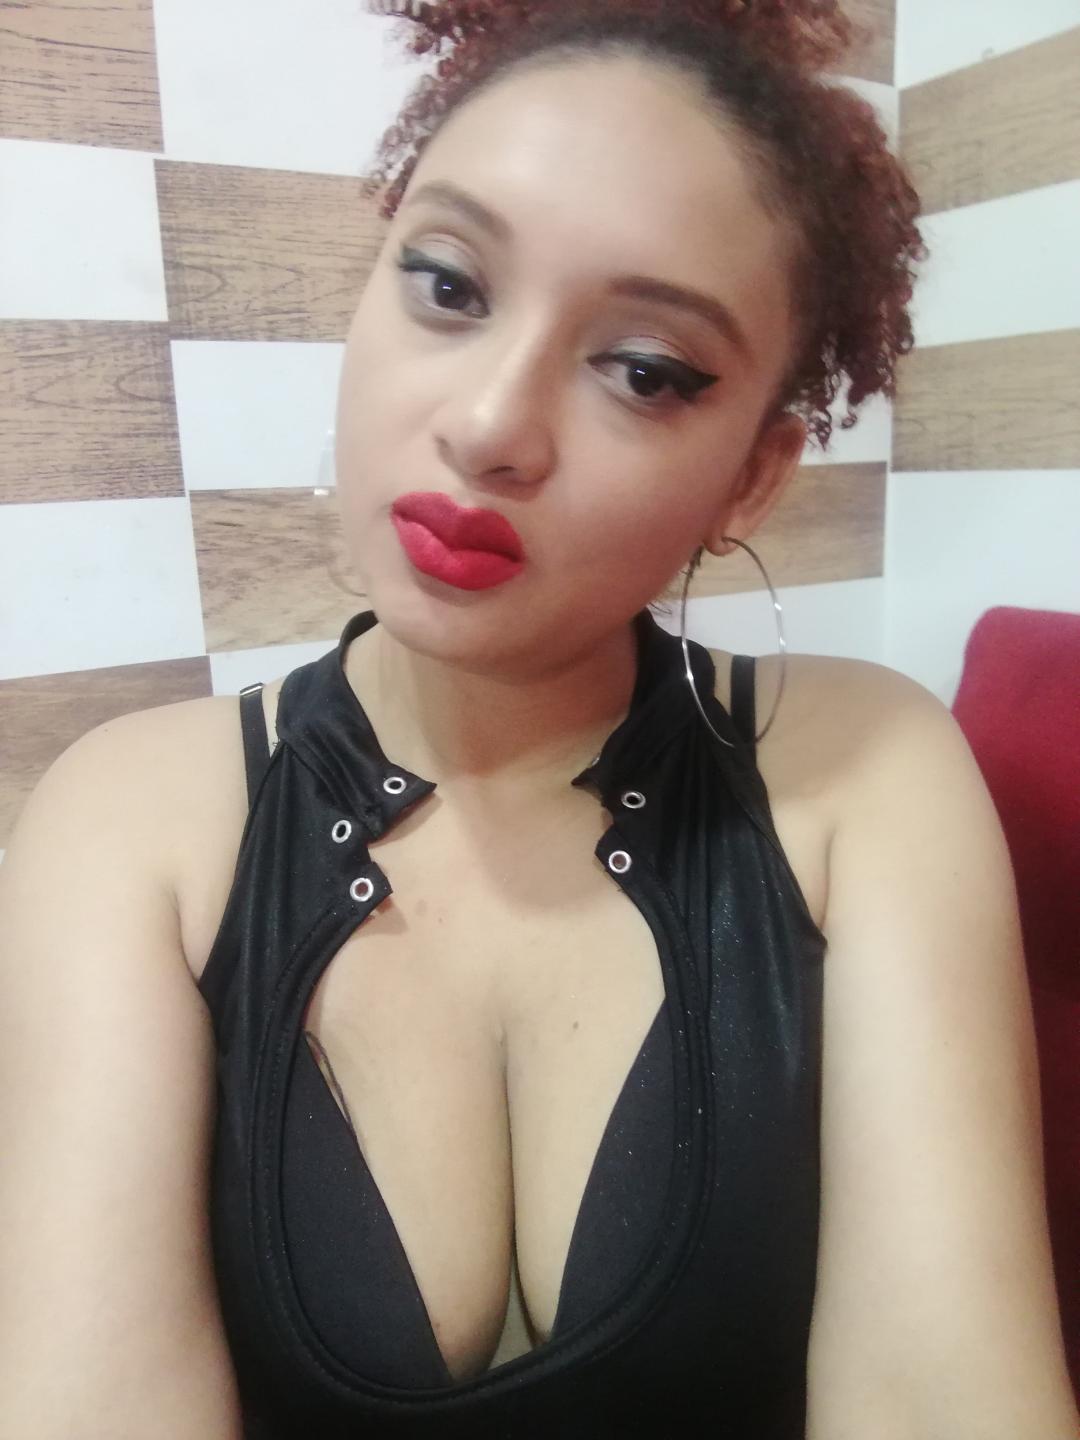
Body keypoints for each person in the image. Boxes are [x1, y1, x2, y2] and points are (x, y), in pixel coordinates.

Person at [1, 1, 1077, 1437]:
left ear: (752, 477)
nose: (492, 425)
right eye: (448, 285)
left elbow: (944, 1396)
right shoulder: (127, 821)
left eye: (644, 370)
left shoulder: (869, 779)